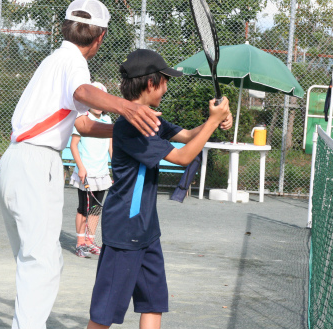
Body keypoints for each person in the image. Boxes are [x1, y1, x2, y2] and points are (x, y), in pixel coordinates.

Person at [0, 0, 165, 329]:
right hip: (36, 163)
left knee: (32, 261)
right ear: (100, 36)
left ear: (66, 27)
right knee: (42, 263)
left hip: (13, 162)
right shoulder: (73, 62)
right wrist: (126, 108)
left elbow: (83, 124)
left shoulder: (53, 61)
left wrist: (122, 128)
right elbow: (83, 90)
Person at [86, 49, 233, 329]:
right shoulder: (130, 128)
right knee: (104, 315)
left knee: (153, 302)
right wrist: (213, 121)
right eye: (165, 81)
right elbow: (183, 156)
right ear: (152, 84)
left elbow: (189, 135)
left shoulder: (150, 118)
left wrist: (216, 122)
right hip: (125, 230)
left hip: (147, 231)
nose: (167, 87)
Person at [70, 82, 113, 258]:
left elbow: (111, 148)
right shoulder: (82, 119)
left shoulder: (108, 121)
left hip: (102, 173)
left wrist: (116, 169)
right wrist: (81, 167)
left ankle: (90, 241)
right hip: (86, 173)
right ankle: (80, 243)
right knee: (83, 209)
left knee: (96, 208)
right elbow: (74, 145)